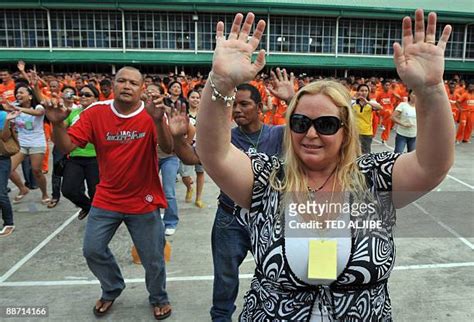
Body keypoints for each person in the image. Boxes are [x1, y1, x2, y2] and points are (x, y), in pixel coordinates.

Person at [195, 10, 454, 320]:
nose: (311, 133)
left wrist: (430, 90)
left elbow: (432, 164)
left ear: (346, 131)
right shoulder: (267, 180)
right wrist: (221, 84)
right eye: (300, 122)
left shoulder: (374, 180)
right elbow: (215, 153)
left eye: (327, 124)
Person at [45, 66, 173, 320]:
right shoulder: (95, 112)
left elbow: (168, 148)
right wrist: (57, 124)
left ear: (141, 88)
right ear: (112, 85)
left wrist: (159, 120)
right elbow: (67, 145)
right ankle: (112, 287)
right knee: (92, 250)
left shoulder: (151, 112)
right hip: (107, 198)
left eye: (133, 83)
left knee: (153, 258)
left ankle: (159, 297)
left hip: (144, 200)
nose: (127, 86)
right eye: (121, 81)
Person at [59, 84, 100, 220]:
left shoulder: (101, 114)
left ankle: (99, 219)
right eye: (81, 94)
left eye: (87, 95)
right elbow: (62, 129)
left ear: (96, 99)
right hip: (75, 156)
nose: (83, 96)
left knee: (96, 192)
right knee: (68, 190)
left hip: (96, 158)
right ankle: (87, 206)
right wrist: (57, 121)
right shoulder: (73, 113)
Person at [6, 84, 50, 204]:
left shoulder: (38, 106)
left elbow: (39, 113)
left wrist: (19, 110)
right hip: (21, 144)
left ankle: (45, 193)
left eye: (21, 92)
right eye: (17, 93)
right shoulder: (14, 106)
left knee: (36, 170)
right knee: (8, 169)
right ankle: (23, 189)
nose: (18, 95)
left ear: (30, 96)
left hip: (37, 142)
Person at [0, 109, 20, 237]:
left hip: (1, 159)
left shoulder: (2, 115)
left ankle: (9, 223)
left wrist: (7, 120)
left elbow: (5, 137)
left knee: (1, 193)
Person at [351, 83, 382, 154]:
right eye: (361, 90)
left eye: (366, 91)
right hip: (354, 132)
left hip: (366, 133)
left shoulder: (371, 103)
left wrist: (367, 102)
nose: (364, 92)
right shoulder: (353, 103)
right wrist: (354, 98)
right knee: (353, 153)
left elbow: (380, 107)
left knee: (366, 154)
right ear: (358, 91)